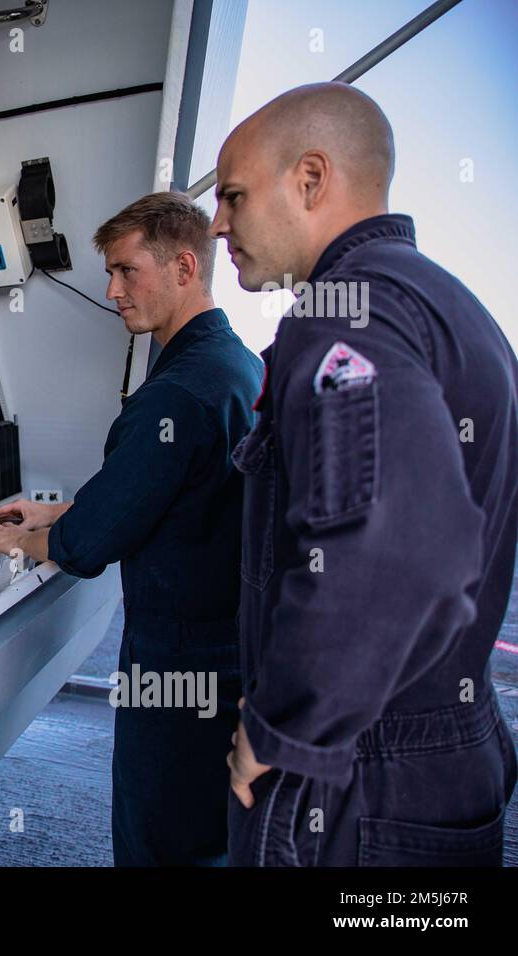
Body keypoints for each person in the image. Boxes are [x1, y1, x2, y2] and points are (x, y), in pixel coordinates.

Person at [212, 82, 518, 866]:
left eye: (234, 196)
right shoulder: (451, 306)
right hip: (441, 755)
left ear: (310, 180)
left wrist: (287, 726)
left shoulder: (344, 314)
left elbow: (405, 545)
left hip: (354, 789)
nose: (218, 224)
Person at [0, 191, 263, 865]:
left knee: (158, 842)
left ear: (185, 267)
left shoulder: (175, 393)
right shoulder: (237, 367)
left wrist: (21, 538)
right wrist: (63, 510)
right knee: (211, 836)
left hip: (177, 665)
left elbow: (89, 548)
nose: (111, 290)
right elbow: (176, 497)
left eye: (127, 271)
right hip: (232, 653)